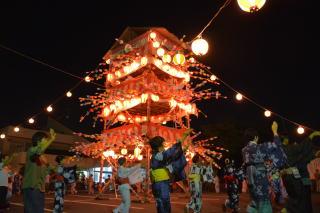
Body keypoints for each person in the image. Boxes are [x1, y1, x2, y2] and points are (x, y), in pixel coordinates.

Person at [242, 121, 287, 213]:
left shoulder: (244, 150)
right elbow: (276, 146)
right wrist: (275, 131)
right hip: (260, 178)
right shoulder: (260, 147)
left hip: (250, 179)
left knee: (255, 201)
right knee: (264, 203)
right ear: (256, 137)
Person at [149, 129, 191, 213]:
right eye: (163, 144)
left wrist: (182, 151)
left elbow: (172, 157)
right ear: (159, 146)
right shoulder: (158, 156)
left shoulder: (158, 156)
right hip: (160, 183)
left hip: (161, 182)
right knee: (164, 204)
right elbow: (171, 152)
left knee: (163, 203)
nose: (164, 146)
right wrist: (183, 137)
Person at [280, 131, 320, 213]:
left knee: (302, 195)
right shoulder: (289, 149)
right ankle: (290, 209)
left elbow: (305, 158)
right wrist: (311, 136)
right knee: (300, 196)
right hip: (296, 175)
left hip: (299, 175)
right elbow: (302, 149)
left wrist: (314, 155)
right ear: (286, 139)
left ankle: (289, 209)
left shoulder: (284, 150)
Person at [22, 129, 56, 213]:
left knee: (38, 210)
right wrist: (51, 139)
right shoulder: (31, 150)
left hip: (40, 188)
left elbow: (49, 170)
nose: (46, 142)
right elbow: (39, 150)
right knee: (32, 210)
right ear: (38, 141)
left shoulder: (43, 156)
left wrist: (51, 167)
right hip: (31, 186)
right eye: (45, 140)